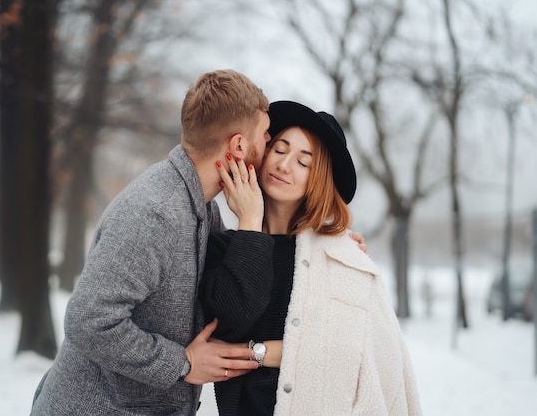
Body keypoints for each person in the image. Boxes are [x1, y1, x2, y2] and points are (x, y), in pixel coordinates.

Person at [29, 69, 272, 416]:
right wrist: (183, 362)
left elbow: (238, 286)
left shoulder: (201, 209)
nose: (269, 145)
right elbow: (89, 319)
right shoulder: (154, 213)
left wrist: (318, 244)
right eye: (264, 136)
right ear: (238, 146)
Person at [200, 100, 422, 416]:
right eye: (279, 150)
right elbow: (228, 322)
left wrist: (254, 352)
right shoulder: (221, 248)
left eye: (304, 162)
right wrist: (250, 225)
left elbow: (349, 355)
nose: (284, 165)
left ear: (317, 180)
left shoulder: (343, 258)